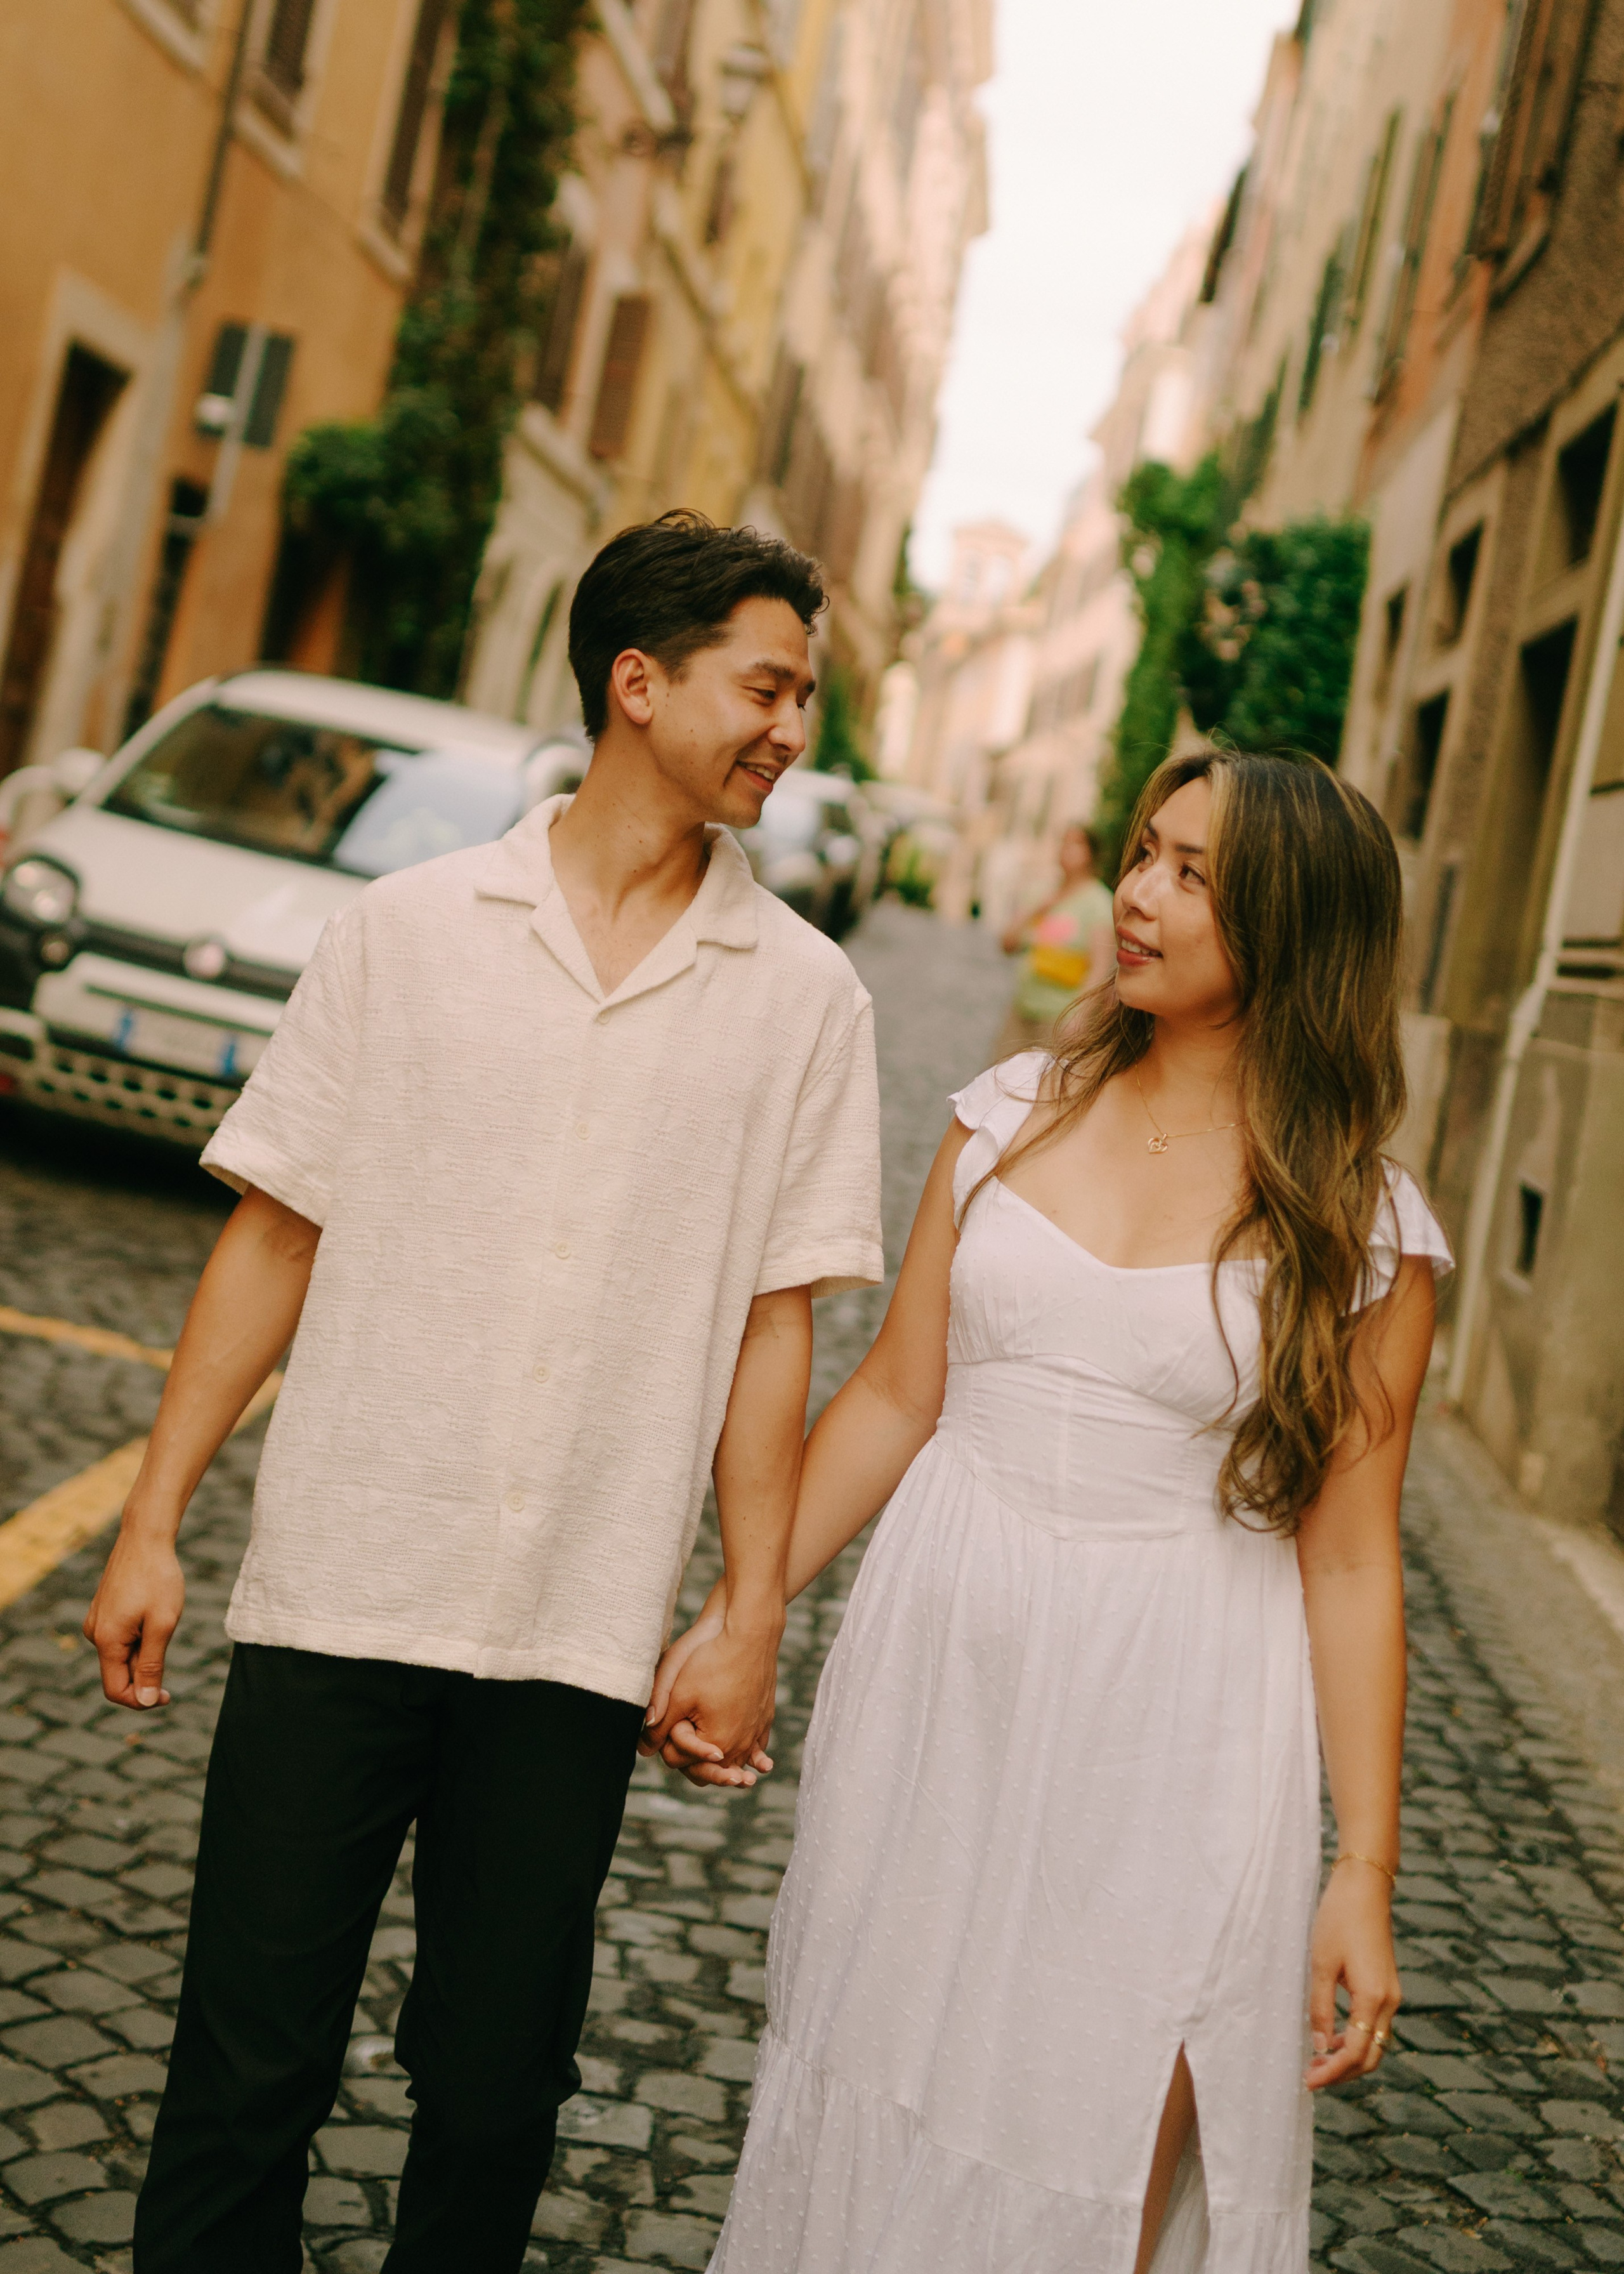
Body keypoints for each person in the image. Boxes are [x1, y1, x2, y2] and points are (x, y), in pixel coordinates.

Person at [84, 509, 883, 2274]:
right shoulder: (411, 930)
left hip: (573, 1635)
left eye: (806, 696)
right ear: (638, 681)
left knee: (495, 2095)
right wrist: (152, 1522)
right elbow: (276, 1234)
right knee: (244, 2074)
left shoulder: (807, 1001)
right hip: (340, 1590)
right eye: (768, 687)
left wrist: (750, 1611)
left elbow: (776, 1329)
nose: (793, 730)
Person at [646, 747, 1450, 2274]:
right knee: (886, 2080)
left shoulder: (1361, 1228)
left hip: (1186, 1718)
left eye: (1192, 874)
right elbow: (894, 1396)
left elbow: (1348, 1559)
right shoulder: (1007, 1112)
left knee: (1102, 2148)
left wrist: (1362, 1874)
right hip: (942, 1682)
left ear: (1296, 925)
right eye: (1143, 853)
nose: (1136, 895)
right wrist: (741, 1612)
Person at [993, 817, 1116, 1055]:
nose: (1066, 849)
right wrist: (1036, 910)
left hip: (1058, 1018)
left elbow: (1100, 969)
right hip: (1023, 1008)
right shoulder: (1042, 892)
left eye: (1076, 844)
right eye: (1063, 841)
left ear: (1091, 853)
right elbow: (1007, 944)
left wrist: (1079, 1018)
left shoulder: (1098, 904)